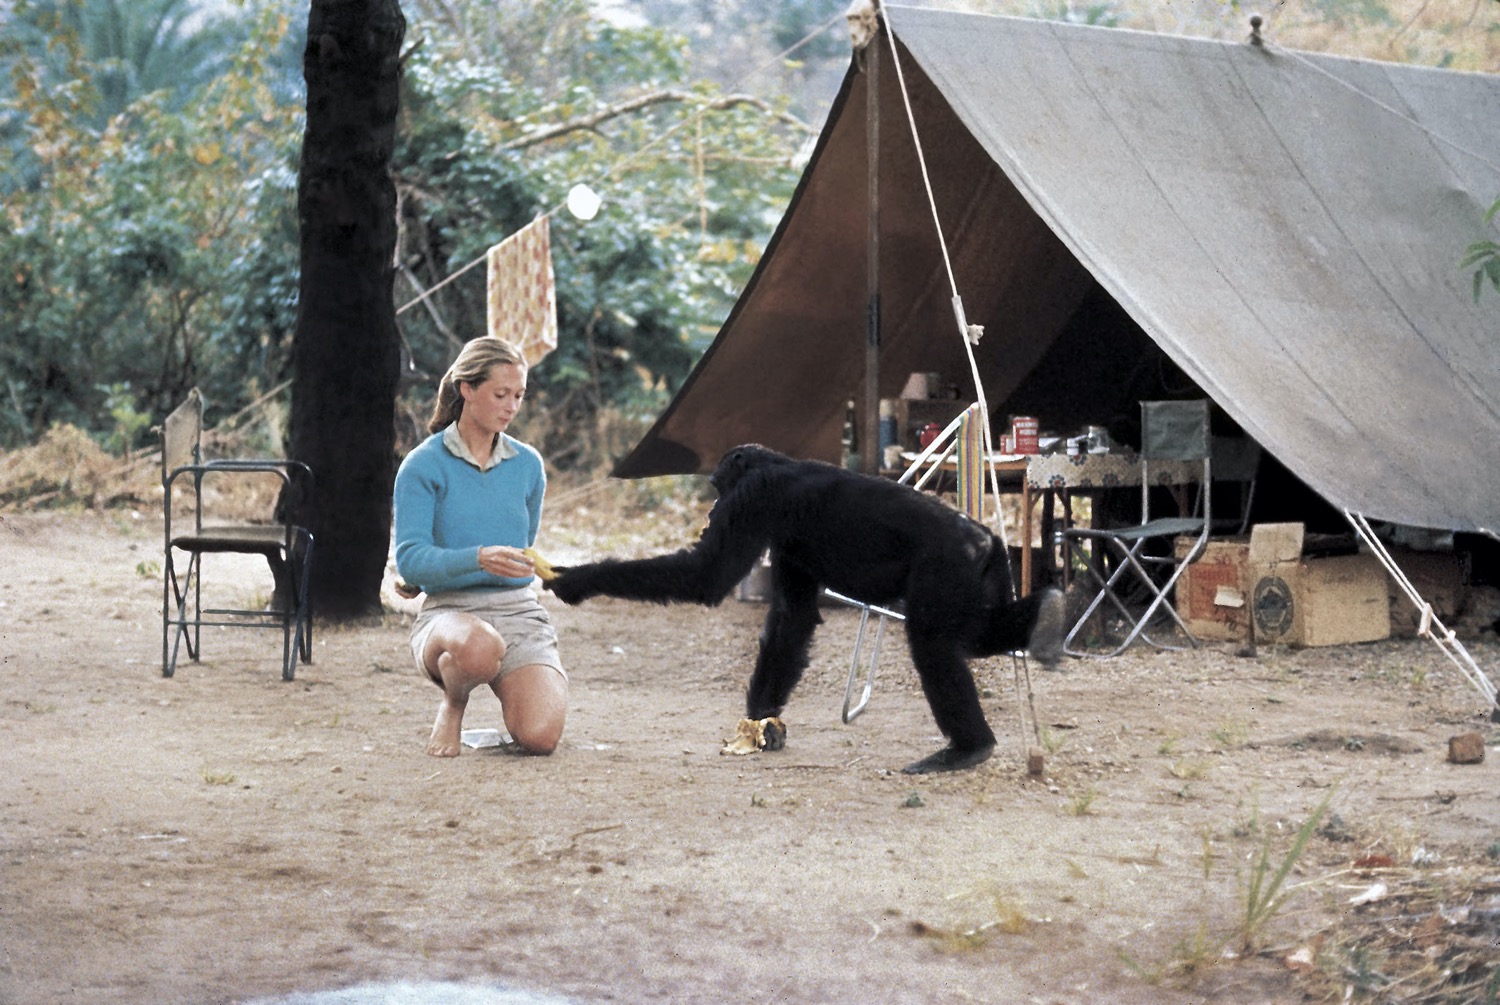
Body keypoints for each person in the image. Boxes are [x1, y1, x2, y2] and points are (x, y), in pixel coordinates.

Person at [393, 336, 567, 758]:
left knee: (540, 738)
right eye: (501, 394)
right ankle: (454, 703)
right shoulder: (423, 464)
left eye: (519, 396)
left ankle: (510, 684)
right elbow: (410, 560)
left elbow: (523, 549)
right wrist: (475, 559)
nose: (511, 406)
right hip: (449, 615)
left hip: (517, 611)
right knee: (478, 648)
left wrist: (539, 570)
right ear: (467, 390)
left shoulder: (528, 465)